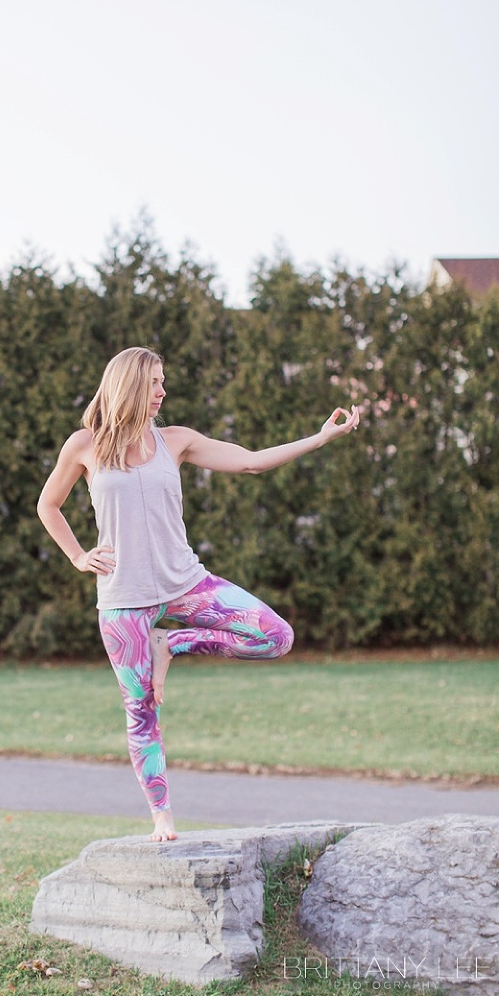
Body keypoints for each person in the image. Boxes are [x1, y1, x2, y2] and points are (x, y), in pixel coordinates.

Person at [36, 346, 360, 842]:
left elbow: (251, 463)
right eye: (154, 384)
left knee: (277, 636)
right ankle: (161, 816)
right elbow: (49, 505)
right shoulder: (84, 445)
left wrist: (319, 439)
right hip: (124, 601)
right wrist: (79, 556)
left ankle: (174, 645)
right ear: (128, 386)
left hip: (188, 585)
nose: (163, 392)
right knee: (141, 710)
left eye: (164, 382)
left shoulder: (177, 441)